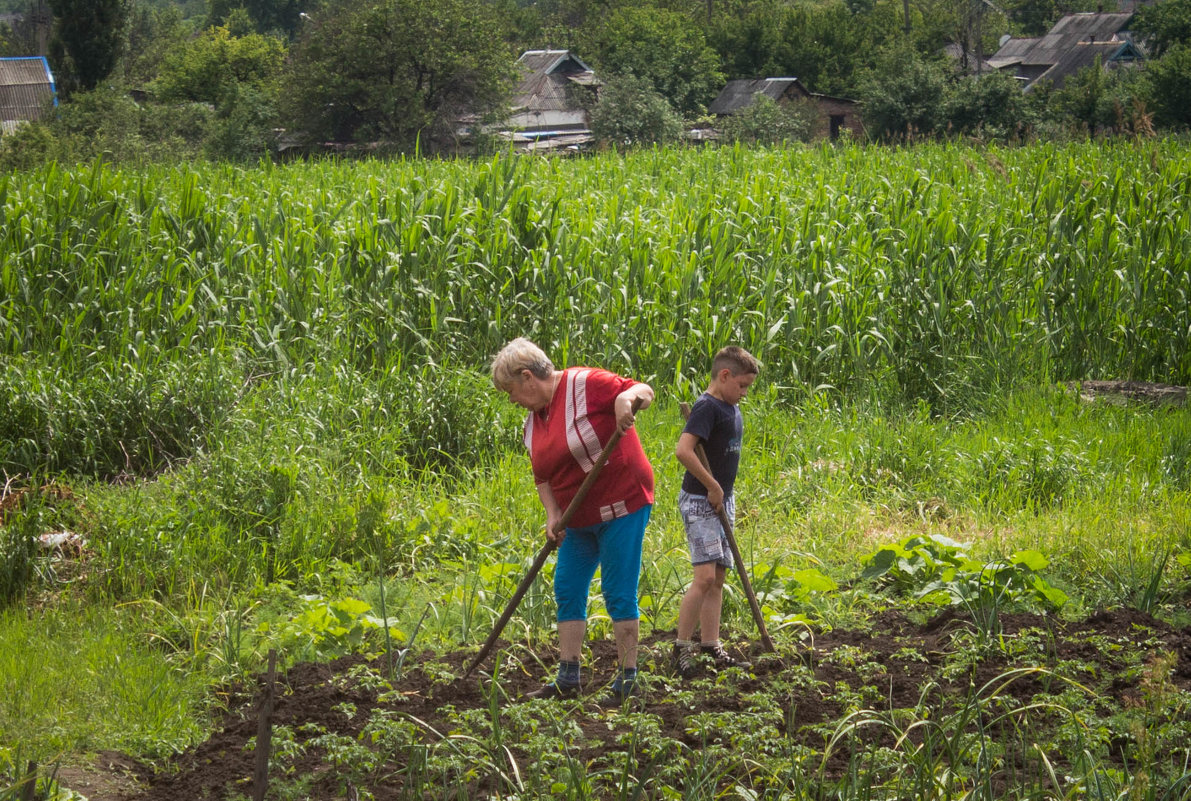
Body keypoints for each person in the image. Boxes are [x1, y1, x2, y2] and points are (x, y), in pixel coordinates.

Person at [491, 338, 655, 705]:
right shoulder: (532, 424)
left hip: (621, 504)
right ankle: (568, 677)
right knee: (567, 585)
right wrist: (552, 515)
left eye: (511, 390)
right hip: (576, 518)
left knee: (617, 590)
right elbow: (542, 477)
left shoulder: (585, 383)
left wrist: (625, 401)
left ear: (528, 377)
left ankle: (629, 680)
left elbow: (642, 390)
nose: (512, 399)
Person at [671, 346, 759, 678]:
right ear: (724, 376)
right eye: (742, 386)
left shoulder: (730, 406)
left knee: (719, 578)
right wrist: (710, 485)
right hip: (701, 501)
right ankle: (681, 648)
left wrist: (721, 491)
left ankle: (711, 646)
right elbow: (684, 450)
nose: (744, 393)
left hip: (723, 499)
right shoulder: (707, 407)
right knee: (704, 577)